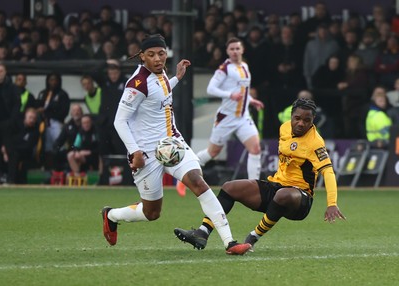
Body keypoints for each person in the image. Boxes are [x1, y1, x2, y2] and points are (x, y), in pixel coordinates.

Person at [102, 34, 251, 255]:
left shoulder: (160, 74)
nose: (157, 59)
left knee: (199, 183)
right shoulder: (137, 84)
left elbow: (159, 93)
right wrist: (136, 151)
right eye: (151, 55)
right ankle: (111, 215)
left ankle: (230, 242)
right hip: (146, 153)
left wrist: (177, 78)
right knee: (151, 213)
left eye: (161, 54)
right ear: (142, 57)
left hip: (172, 144)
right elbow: (119, 120)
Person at [174, 98, 346, 251]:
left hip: (299, 199)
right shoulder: (284, 128)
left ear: (312, 121)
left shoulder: (315, 143)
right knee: (229, 187)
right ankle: (202, 232)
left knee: (283, 194)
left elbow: (328, 171)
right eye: (297, 118)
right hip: (276, 185)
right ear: (291, 116)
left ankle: (252, 237)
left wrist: (332, 203)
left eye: (307, 120)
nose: (301, 123)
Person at [177, 37, 264, 195]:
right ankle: (183, 175)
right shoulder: (224, 69)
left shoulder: (244, 66)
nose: (235, 52)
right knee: (213, 152)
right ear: (227, 51)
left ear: (242, 50)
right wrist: (229, 94)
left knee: (255, 148)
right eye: (232, 49)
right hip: (226, 117)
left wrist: (251, 100)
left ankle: (255, 187)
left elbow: (243, 90)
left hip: (243, 117)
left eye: (237, 48)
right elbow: (211, 89)